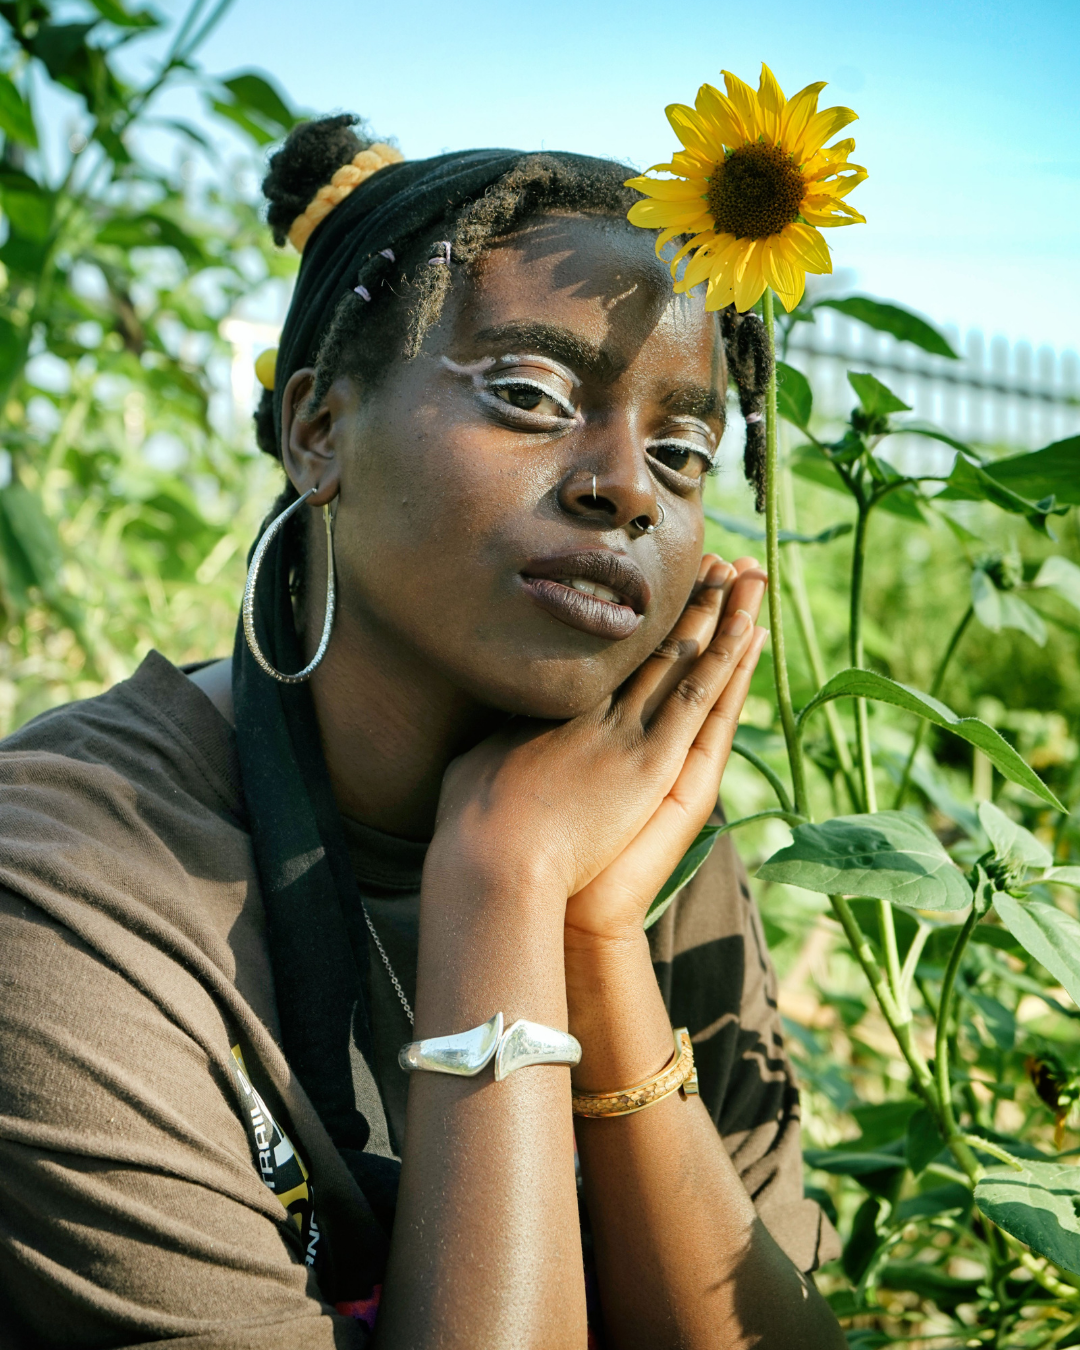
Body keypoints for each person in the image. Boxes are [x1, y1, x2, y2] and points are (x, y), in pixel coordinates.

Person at [0, 116, 843, 1348]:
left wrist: (585, 925)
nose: (625, 485)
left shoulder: (647, 849)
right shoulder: (63, 897)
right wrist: (501, 898)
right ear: (318, 433)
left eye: (683, 449)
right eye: (527, 394)